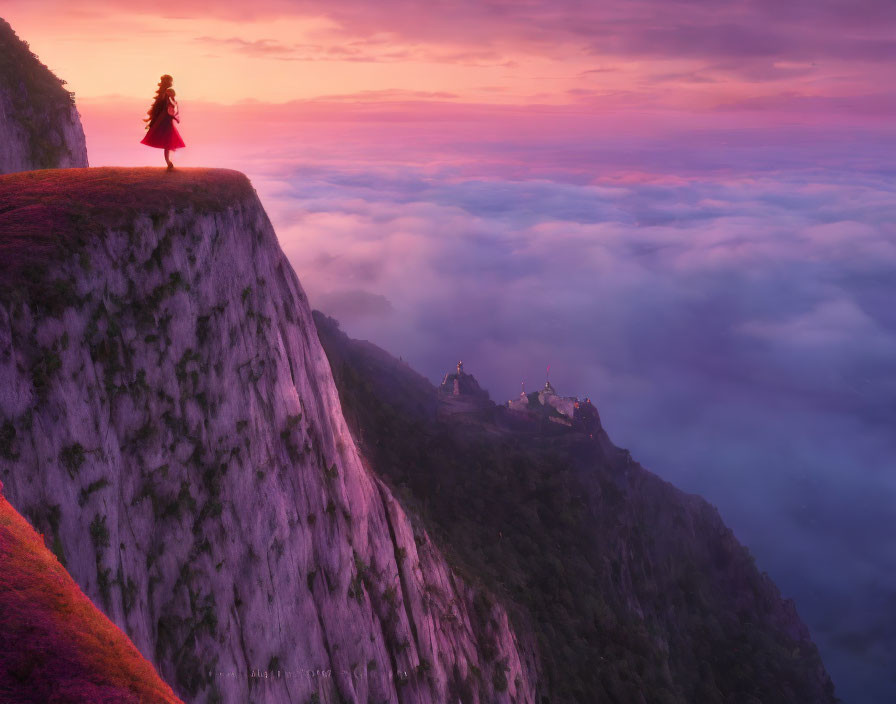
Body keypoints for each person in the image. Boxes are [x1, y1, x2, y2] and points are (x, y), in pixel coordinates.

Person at [140, 74, 185, 170]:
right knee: (168, 142)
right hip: (165, 120)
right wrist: (173, 117)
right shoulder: (166, 93)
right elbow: (166, 109)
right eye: (171, 81)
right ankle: (168, 163)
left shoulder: (165, 93)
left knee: (168, 142)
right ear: (168, 82)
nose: (172, 83)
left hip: (166, 120)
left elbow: (168, 108)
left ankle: (169, 163)